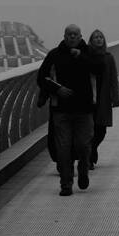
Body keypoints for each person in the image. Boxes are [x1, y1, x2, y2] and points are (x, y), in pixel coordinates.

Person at [37, 25, 102, 196]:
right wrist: (57, 89)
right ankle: (66, 184)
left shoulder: (88, 53)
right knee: (63, 148)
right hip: (61, 109)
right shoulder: (54, 55)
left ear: (81, 36)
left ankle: (83, 170)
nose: (72, 37)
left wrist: (82, 57)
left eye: (76, 35)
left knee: (83, 145)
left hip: (85, 108)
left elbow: (100, 69)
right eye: (69, 34)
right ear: (64, 36)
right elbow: (41, 77)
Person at [87, 29, 119, 167]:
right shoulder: (86, 56)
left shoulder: (108, 57)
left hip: (104, 97)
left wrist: (115, 96)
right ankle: (88, 156)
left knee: (101, 130)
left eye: (101, 37)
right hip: (89, 97)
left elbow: (113, 78)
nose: (99, 39)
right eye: (96, 37)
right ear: (91, 40)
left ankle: (92, 149)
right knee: (90, 128)